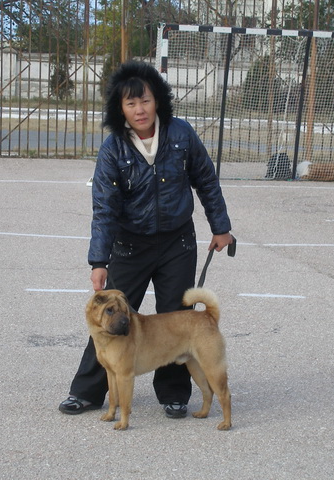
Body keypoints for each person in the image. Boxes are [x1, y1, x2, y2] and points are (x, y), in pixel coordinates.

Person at [58, 60, 233, 419]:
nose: (140, 109)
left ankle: (174, 394)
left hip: (176, 244)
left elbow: (206, 180)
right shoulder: (113, 148)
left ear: (159, 101)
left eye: (146, 100)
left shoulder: (181, 134)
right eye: (130, 103)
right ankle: (87, 392)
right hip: (130, 245)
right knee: (111, 321)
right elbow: (104, 208)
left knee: (175, 320)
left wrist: (220, 227)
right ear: (119, 108)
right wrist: (99, 261)